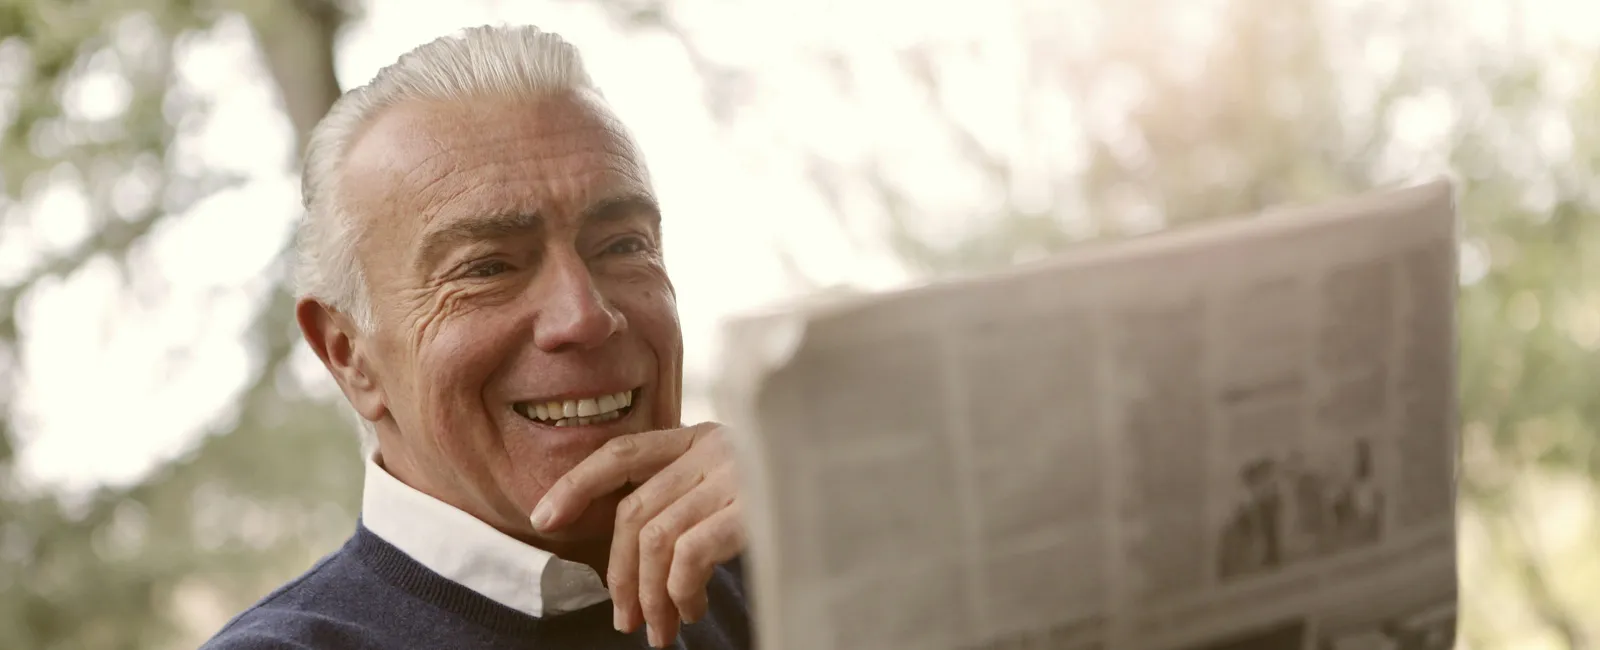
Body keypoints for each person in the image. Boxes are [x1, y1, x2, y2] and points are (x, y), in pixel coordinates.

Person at [201, 25, 751, 650]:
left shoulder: (782, 557)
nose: (584, 317)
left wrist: (825, 522)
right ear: (348, 354)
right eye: (488, 267)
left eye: (624, 245)